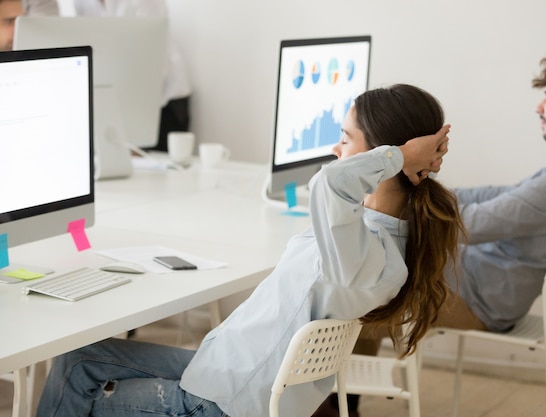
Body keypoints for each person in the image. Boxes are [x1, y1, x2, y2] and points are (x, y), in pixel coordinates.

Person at [34, 84, 464, 417]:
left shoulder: (368, 255)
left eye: (346, 140)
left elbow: (330, 184)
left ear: (380, 156)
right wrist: (400, 158)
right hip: (228, 373)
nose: (336, 150)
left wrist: (401, 156)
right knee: (83, 356)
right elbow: (335, 194)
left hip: (223, 403)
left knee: (76, 379)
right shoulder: (377, 237)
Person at [313, 51, 546, 417]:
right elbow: (498, 197)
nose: (540, 106)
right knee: (367, 282)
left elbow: (468, 226)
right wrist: (425, 187)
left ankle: (334, 408)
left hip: (480, 298)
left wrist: (412, 197)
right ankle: (342, 405)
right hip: (484, 284)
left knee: (359, 300)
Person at [74, 0, 192, 152]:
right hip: (119, 99)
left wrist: (136, 134)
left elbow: (153, 60)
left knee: (161, 169)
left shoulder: (144, 3)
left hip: (165, 100)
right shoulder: (81, 3)